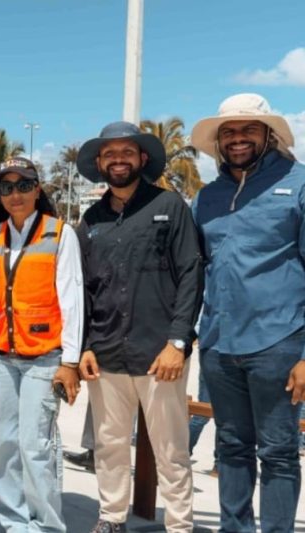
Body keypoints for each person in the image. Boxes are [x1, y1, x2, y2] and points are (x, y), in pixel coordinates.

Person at [75, 122, 203, 533]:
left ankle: (180, 525)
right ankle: (112, 518)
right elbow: (84, 289)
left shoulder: (170, 205)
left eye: (126, 153)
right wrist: (85, 346)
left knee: (172, 450)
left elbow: (191, 274)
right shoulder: (90, 219)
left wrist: (178, 342)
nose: (118, 160)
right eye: (109, 154)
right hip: (106, 353)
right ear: (99, 163)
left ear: (141, 159)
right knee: (109, 446)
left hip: (159, 354)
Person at [190, 93, 305, 532]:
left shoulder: (298, 184)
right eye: (229, 133)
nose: (238, 139)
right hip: (219, 346)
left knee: (277, 452)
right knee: (230, 449)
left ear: (268, 135)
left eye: (248, 130)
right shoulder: (207, 198)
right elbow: (194, 271)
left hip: (280, 343)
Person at [0, 157, 83, 533]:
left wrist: (69, 361)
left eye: (23, 185)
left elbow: (73, 299)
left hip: (44, 357)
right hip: (1, 360)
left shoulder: (60, 234)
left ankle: (47, 526)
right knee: (2, 445)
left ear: (37, 190)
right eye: (6, 188)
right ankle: (14, 523)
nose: (15, 195)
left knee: (35, 446)